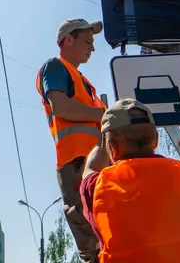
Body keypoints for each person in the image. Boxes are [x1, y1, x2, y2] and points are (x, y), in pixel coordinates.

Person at [79, 98, 180, 262]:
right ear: (156, 140)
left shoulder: (99, 189)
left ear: (112, 148)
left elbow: (89, 169)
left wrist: (102, 142)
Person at [36, 18, 108, 263]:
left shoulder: (84, 82)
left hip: (93, 163)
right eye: (88, 41)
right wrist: (104, 114)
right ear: (68, 40)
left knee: (106, 233)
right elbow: (61, 107)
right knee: (92, 237)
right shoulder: (55, 67)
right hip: (76, 163)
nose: (93, 48)